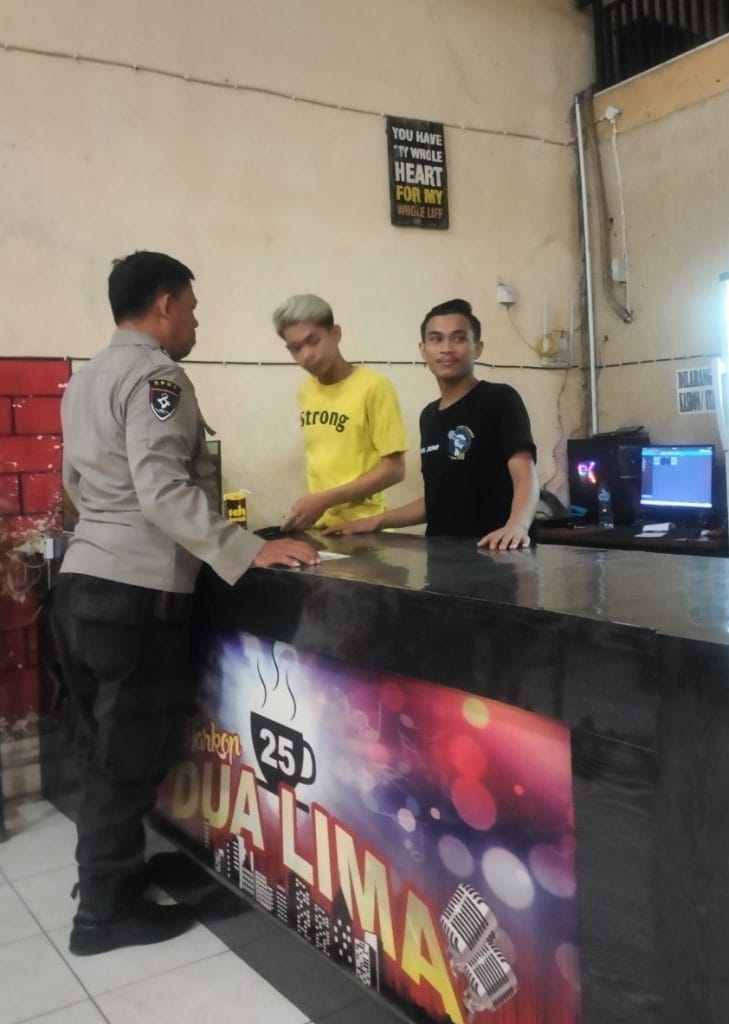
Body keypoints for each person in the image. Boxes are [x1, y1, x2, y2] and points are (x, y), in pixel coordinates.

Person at [51, 251, 319, 957]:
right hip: (133, 595)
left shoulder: (83, 380)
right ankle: (103, 915)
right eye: (193, 308)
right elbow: (162, 489)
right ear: (165, 304)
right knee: (128, 757)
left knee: (101, 748)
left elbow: (74, 483)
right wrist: (246, 550)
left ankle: (109, 879)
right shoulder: (158, 377)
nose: (196, 322)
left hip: (81, 585)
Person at [329, 298, 538, 549]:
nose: (446, 348)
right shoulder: (429, 416)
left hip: (498, 552)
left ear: (478, 348)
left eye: (458, 338)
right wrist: (374, 522)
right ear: (423, 349)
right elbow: (436, 500)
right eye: (436, 339)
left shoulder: (500, 399)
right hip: (442, 556)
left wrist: (517, 525)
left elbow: (525, 478)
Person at [272, 294, 406, 531]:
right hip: (324, 529)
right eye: (295, 348)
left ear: (335, 334)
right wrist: (316, 507)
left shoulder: (375, 387)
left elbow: (395, 470)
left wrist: (324, 500)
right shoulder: (306, 391)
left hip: (366, 528)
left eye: (313, 341)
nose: (306, 355)